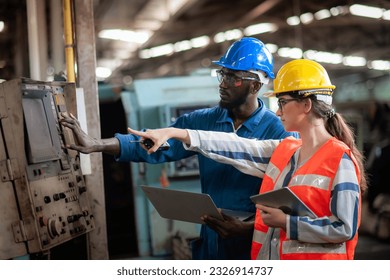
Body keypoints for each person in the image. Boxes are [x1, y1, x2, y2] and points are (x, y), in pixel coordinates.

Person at [60, 37, 295, 260]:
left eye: (232, 78)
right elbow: (154, 144)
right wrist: (96, 144)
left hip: (255, 245)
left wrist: (248, 229)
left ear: (255, 85)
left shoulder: (278, 133)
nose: (222, 85)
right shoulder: (202, 122)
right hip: (211, 241)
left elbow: (288, 203)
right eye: (222, 74)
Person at [127, 59, 368, 260]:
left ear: (306, 104)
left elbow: (344, 228)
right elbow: (233, 146)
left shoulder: (340, 160)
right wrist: (173, 132)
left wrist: (286, 222)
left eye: (283, 103)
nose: (277, 111)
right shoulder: (287, 150)